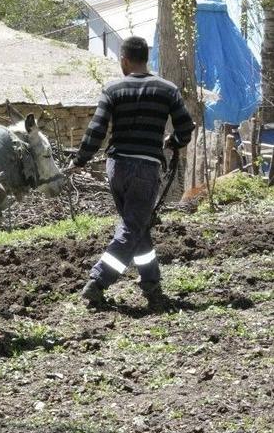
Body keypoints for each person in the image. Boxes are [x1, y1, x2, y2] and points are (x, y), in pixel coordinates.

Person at [66, 36, 195, 309]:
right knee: (132, 226)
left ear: (124, 60)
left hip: (117, 167)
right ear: (146, 58)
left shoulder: (113, 89)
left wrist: (81, 159)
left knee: (136, 225)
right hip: (146, 168)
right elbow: (186, 127)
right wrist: (173, 143)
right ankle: (98, 280)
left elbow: (97, 129)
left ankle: (150, 281)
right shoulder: (167, 89)